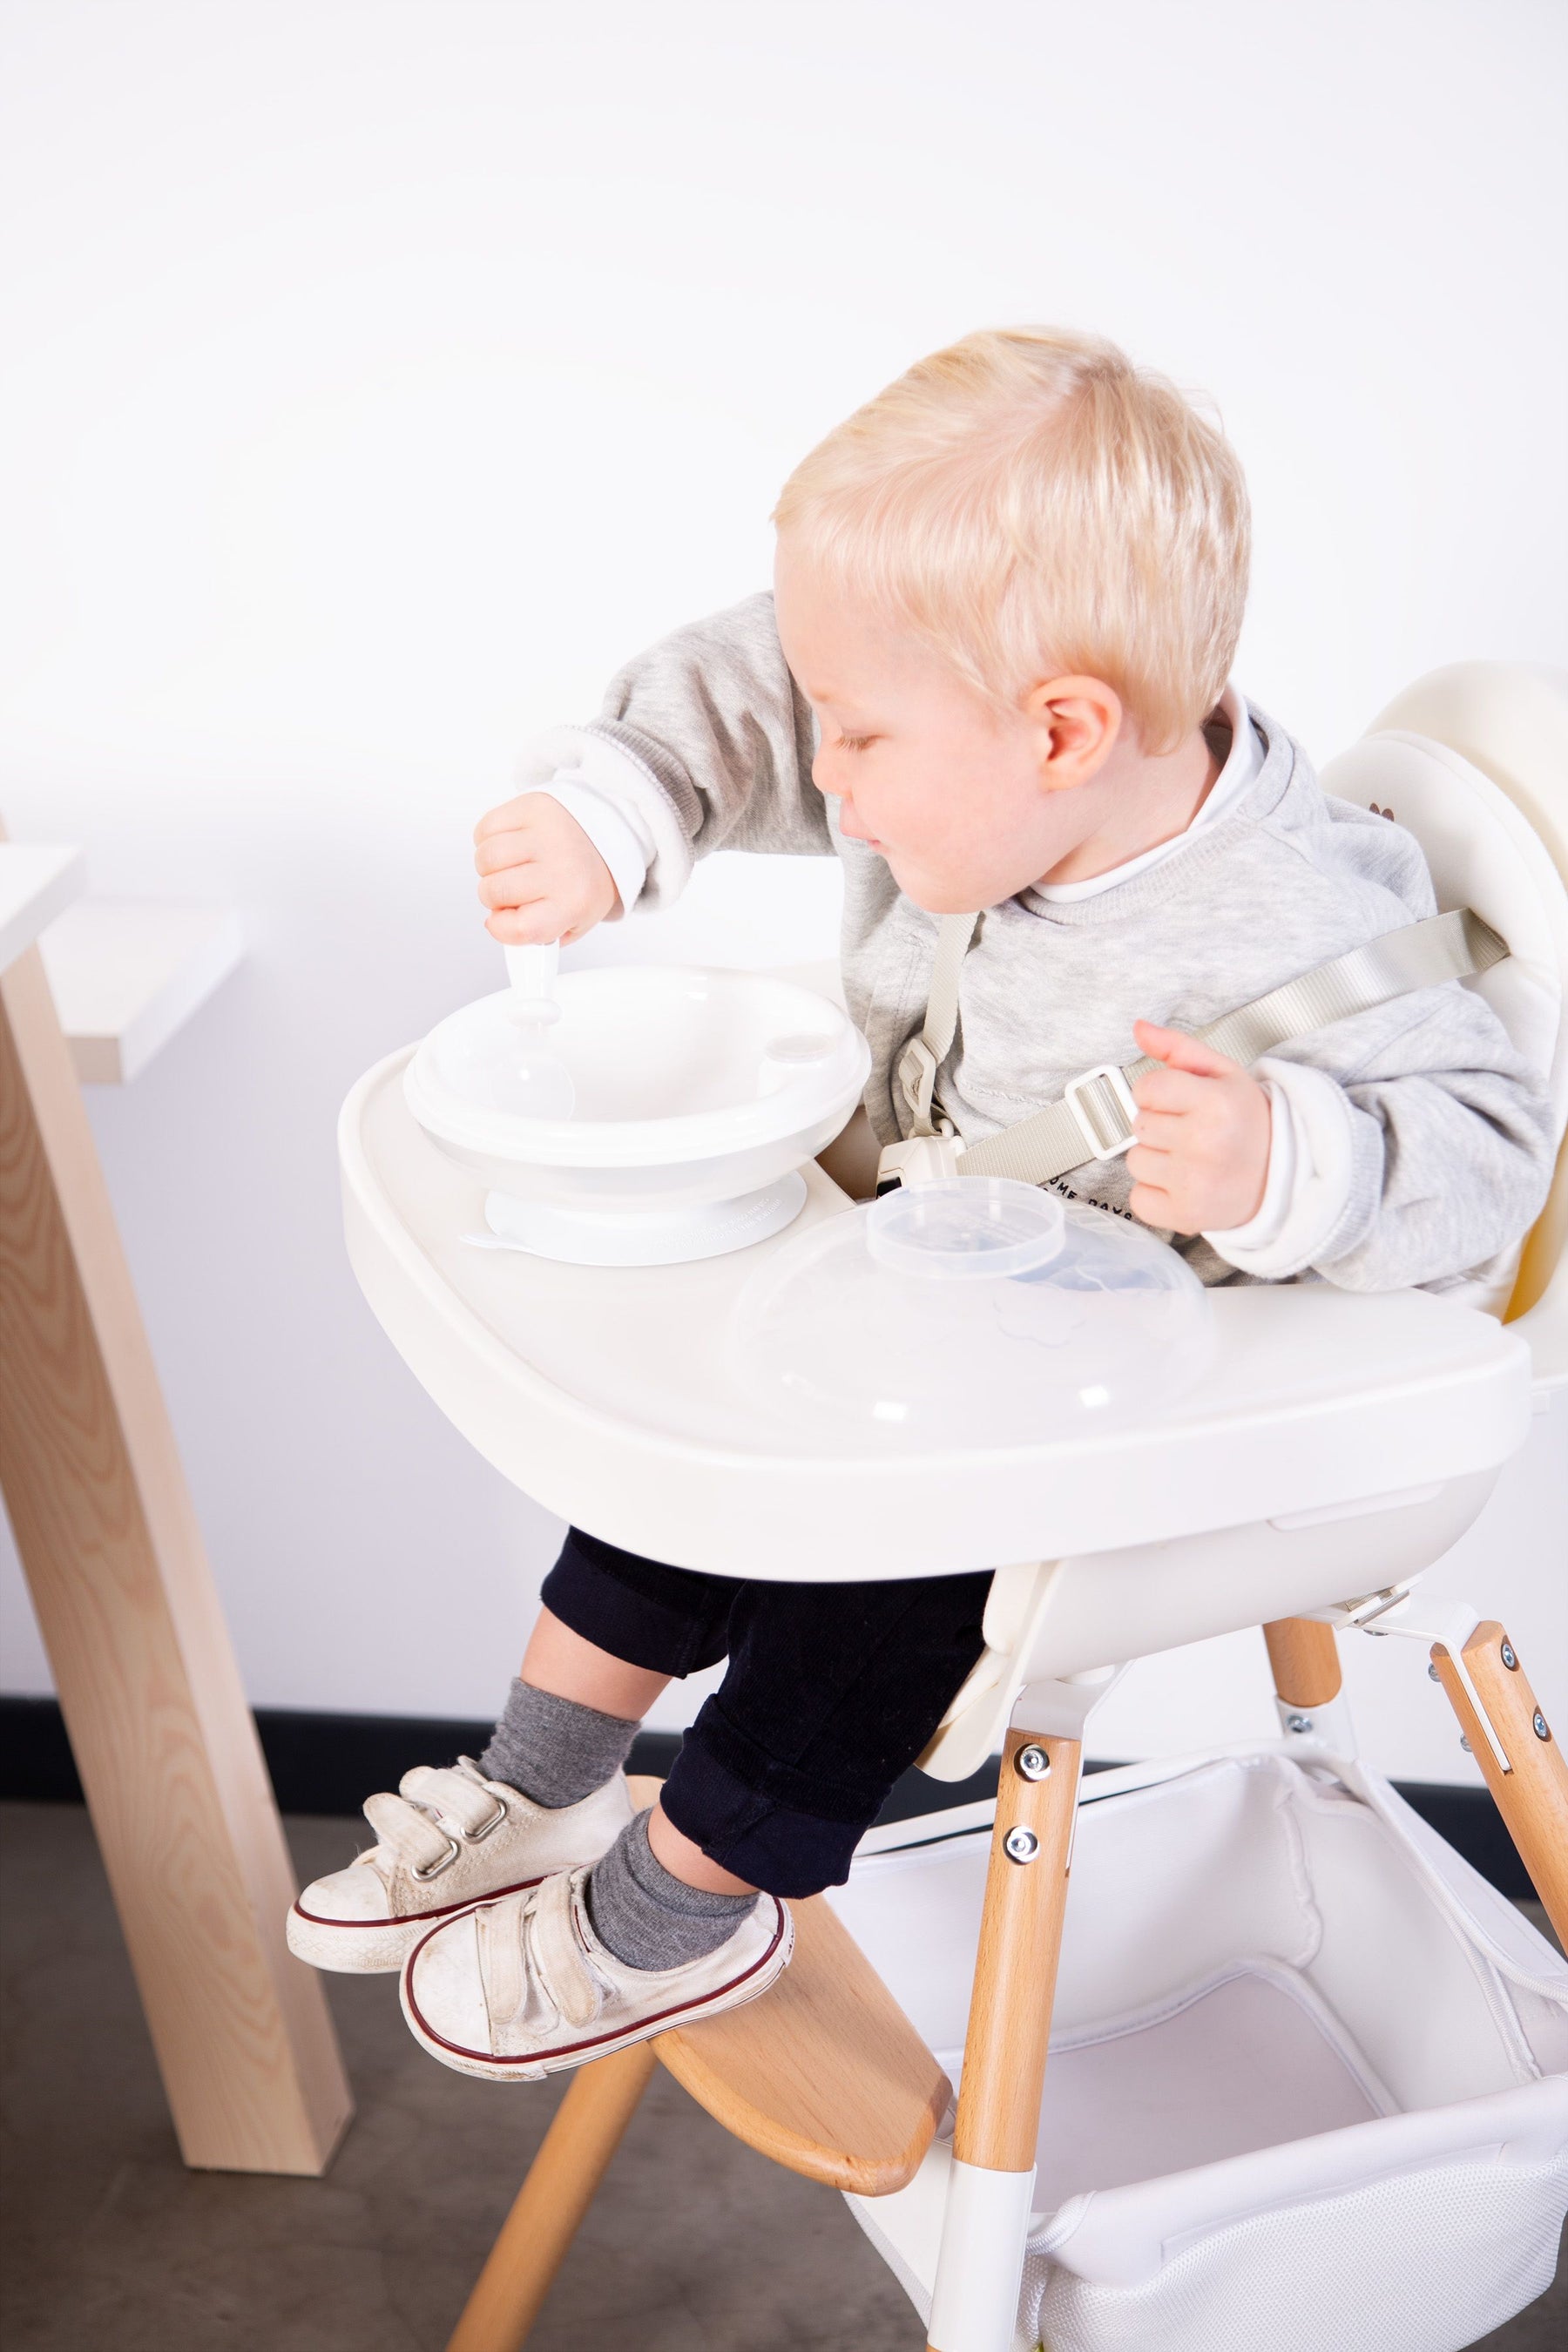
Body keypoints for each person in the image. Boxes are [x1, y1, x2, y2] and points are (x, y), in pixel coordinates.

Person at [289, 328, 1553, 2080]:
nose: (827, 772)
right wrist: (617, 808)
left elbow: (1492, 1162)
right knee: (695, 1446)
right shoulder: (982, 751)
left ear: (1063, 731)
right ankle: (545, 1781)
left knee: (873, 1574)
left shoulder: (1305, 926)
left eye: (861, 738)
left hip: (1107, 1413)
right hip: (915, 1288)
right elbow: (768, 674)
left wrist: (1288, 1161)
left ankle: (688, 1898)